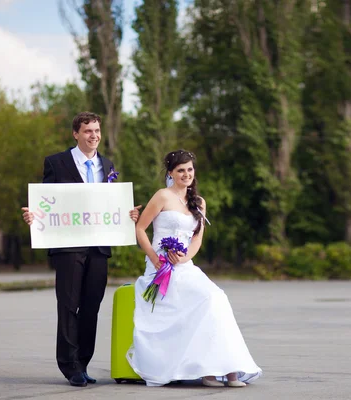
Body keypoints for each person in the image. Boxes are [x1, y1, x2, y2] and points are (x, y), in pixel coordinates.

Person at [21, 111, 140, 387]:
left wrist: (127, 214)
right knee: (68, 305)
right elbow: (46, 202)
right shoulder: (56, 162)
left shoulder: (107, 165)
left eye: (97, 131)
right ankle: (69, 366)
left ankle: (83, 362)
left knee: (91, 307)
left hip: (99, 247)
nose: (94, 136)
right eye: (88, 131)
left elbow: (110, 205)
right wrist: (34, 216)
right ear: (76, 133)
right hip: (68, 247)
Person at [128, 149, 262, 387]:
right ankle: (208, 373)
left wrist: (184, 257)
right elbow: (140, 229)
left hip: (184, 264)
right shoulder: (162, 196)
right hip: (160, 266)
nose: (186, 174)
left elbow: (197, 239)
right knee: (205, 300)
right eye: (181, 170)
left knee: (217, 298)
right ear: (171, 173)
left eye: (190, 169)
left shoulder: (198, 202)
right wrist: (155, 258)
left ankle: (229, 370)